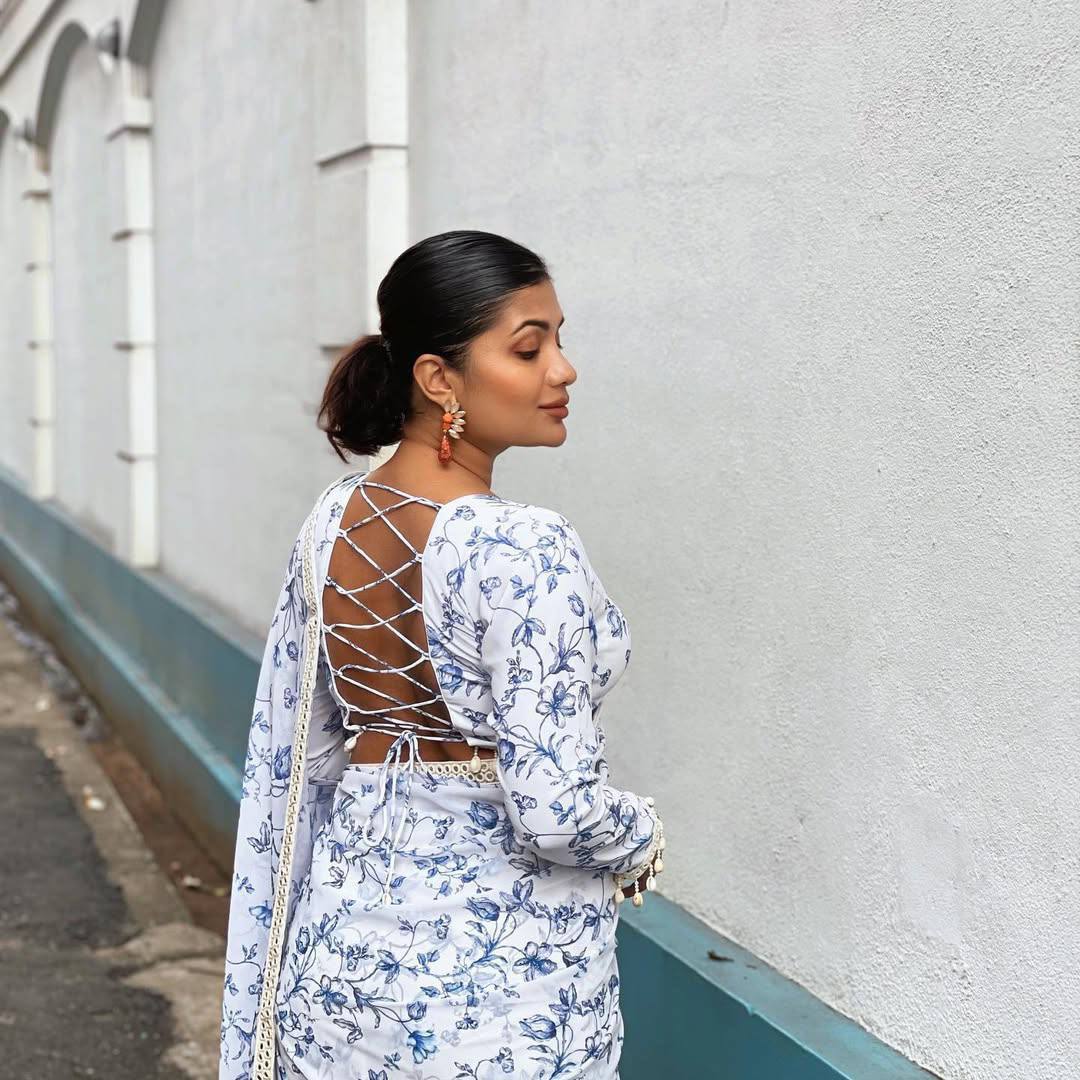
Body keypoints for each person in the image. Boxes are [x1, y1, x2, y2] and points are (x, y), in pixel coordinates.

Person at [218, 230, 665, 1080]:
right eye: (529, 347)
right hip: (493, 1001)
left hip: (343, 966)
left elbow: (301, 759)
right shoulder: (522, 546)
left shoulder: (333, 523)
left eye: (560, 341)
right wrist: (640, 833)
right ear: (437, 379)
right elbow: (557, 813)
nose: (563, 370)